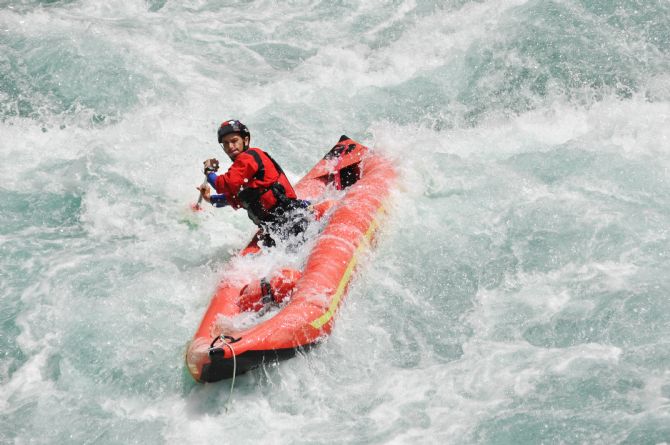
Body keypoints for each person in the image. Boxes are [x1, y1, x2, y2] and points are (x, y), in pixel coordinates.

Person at [197, 119, 310, 246]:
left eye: (234, 141)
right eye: (226, 143)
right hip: (278, 225)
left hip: (290, 220)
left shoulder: (249, 157)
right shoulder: (245, 172)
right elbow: (234, 199)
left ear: (245, 140)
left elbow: (224, 184)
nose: (230, 146)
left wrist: (209, 172)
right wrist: (209, 198)